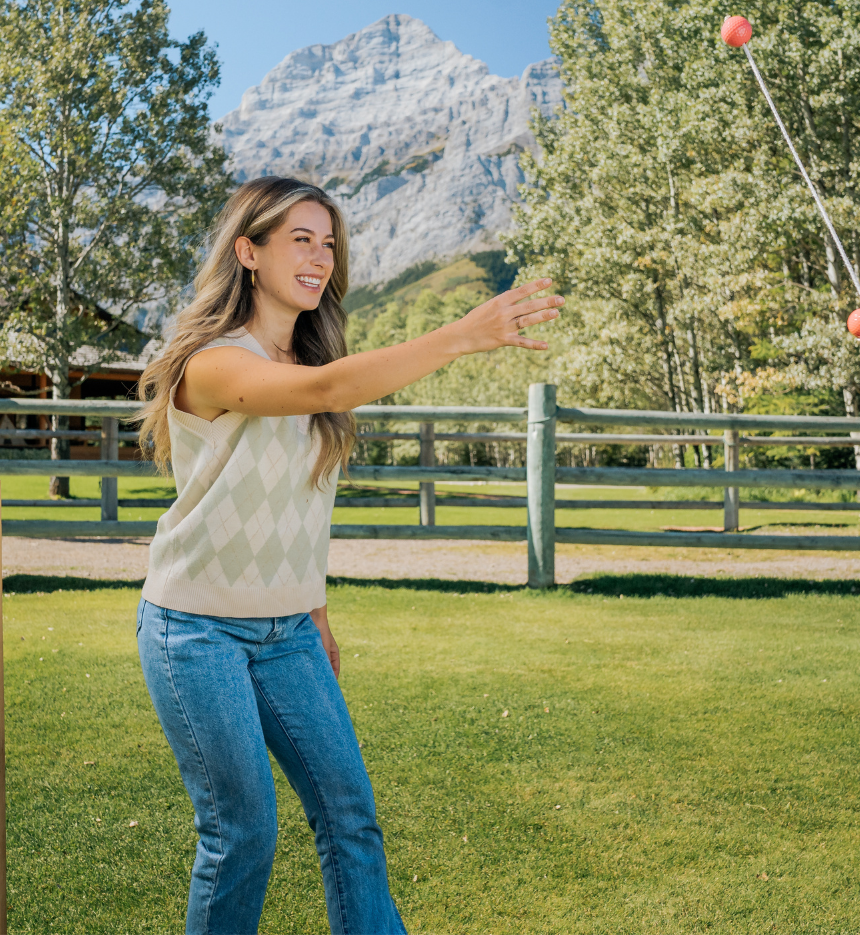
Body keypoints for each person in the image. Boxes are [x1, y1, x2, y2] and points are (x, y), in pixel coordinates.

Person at [133, 175, 563, 934]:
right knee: (242, 836)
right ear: (248, 253)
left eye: (328, 243)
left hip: (287, 631)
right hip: (195, 629)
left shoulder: (310, 357)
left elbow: (304, 506)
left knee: (350, 818)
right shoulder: (213, 362)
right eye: (300, 239)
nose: (321, 256)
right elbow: (324, 387)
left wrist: (317, 615)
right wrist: (461, 334)